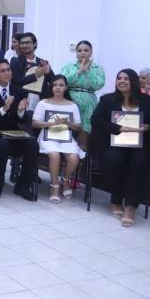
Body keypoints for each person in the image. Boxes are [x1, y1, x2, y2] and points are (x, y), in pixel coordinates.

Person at [91, 69, 150, 227]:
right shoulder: (107, 99)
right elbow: (96, 121)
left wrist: (147, 127)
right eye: (119, 78)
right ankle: (116, 200)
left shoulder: (149, 101)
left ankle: (131, 206)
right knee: (114, 160)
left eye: (126, 78)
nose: (121, 81)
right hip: (114, 143)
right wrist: (117, 128)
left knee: (140, 162)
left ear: (134, 82)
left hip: (139, 145)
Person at [0, 59, 38, 202]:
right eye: (2, 71)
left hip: (12, 133)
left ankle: (22, 186)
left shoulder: (19, 91)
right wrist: (4, 109)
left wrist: (20, 111)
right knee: (2, 144)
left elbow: (23, 120)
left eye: (9, 70)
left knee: (33, 144)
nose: (7, 73)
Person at [31, 75, 84, 203]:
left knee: (74, 157)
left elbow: (78, 127)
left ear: (66, 88)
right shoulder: (43, 103)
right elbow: (34, 123)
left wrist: (68, 123)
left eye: (61, 85)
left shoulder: (72, 105)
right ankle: (54, 187)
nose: (58, 88)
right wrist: (50, 124)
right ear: (51, 87)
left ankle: (65, 180)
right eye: (55, 85)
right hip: (47, 136)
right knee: (54, 155)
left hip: (66, 137)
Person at [60, 40, 105, 148]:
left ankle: (82, 158)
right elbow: (62, 82)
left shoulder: (98, 68)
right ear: (76, 53)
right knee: (68, 129)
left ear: (91, 52)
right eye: (79, 50)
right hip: (70, 99)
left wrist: (87, 71)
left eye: (86, 50)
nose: (83, 53)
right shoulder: (68, 66)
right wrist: (79, 71)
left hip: (89, 102)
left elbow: (98, 85)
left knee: (85, 131)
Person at [11, 32, 54, 104]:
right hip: (21, 103)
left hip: (40, 102)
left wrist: (49, 72)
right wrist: (36, 75)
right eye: (22, 43)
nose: (24, 45)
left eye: (28, 42)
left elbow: (53, 81)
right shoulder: (15, 61)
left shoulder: (43, 62)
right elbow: (16, 82)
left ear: (35, 44)